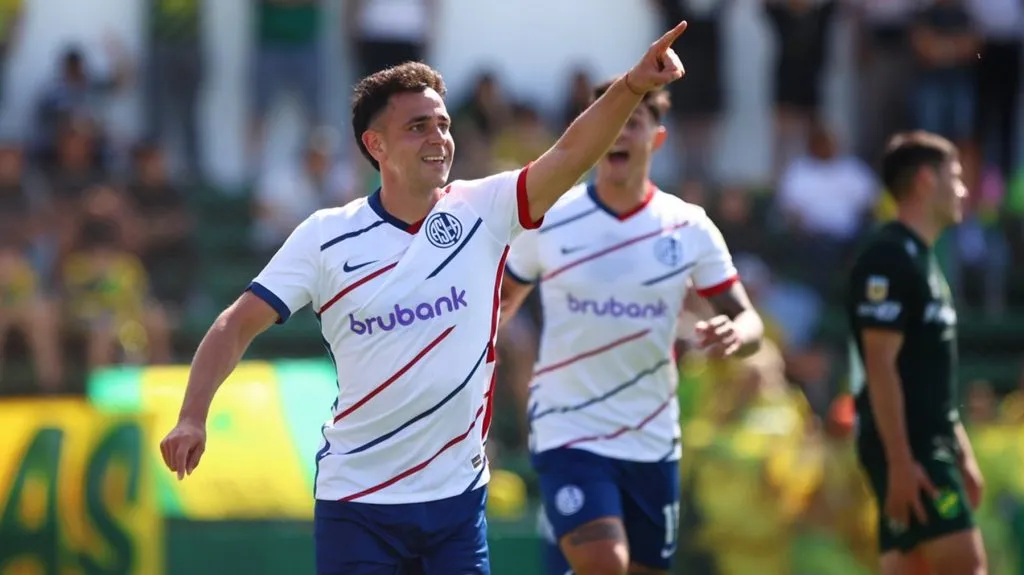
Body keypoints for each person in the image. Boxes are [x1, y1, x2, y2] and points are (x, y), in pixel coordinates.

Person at [158, 20, 691, 575]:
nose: (439, 137)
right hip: (358, 505)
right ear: (376, 144)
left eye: (443, 123)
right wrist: (193, 416)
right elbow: (235, 324)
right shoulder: (324, 236)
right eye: (418, 126)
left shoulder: (486, 209)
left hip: (456, 506)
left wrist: (632, 86)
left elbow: (572, 153)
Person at [499, 80, 764, 575]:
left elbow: (748, 319)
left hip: (651, 435)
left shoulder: (688, 226)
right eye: (608, 123)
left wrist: (735, 333)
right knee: (604, 562)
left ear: (657, 138)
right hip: (569, 428)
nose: (618, 134)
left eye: (632, 123)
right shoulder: (550, 217)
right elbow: (501, 305)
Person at [846, 131, 987, 575]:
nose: (964, 189)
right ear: (926, 181)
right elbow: (880, 366)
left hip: (927, 443)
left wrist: (961, 448)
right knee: (967, 566)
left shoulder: (923, 258)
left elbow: (928, 374)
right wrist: (902, 462)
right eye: (957, 176)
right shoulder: (888, 257)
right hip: (910, 448)